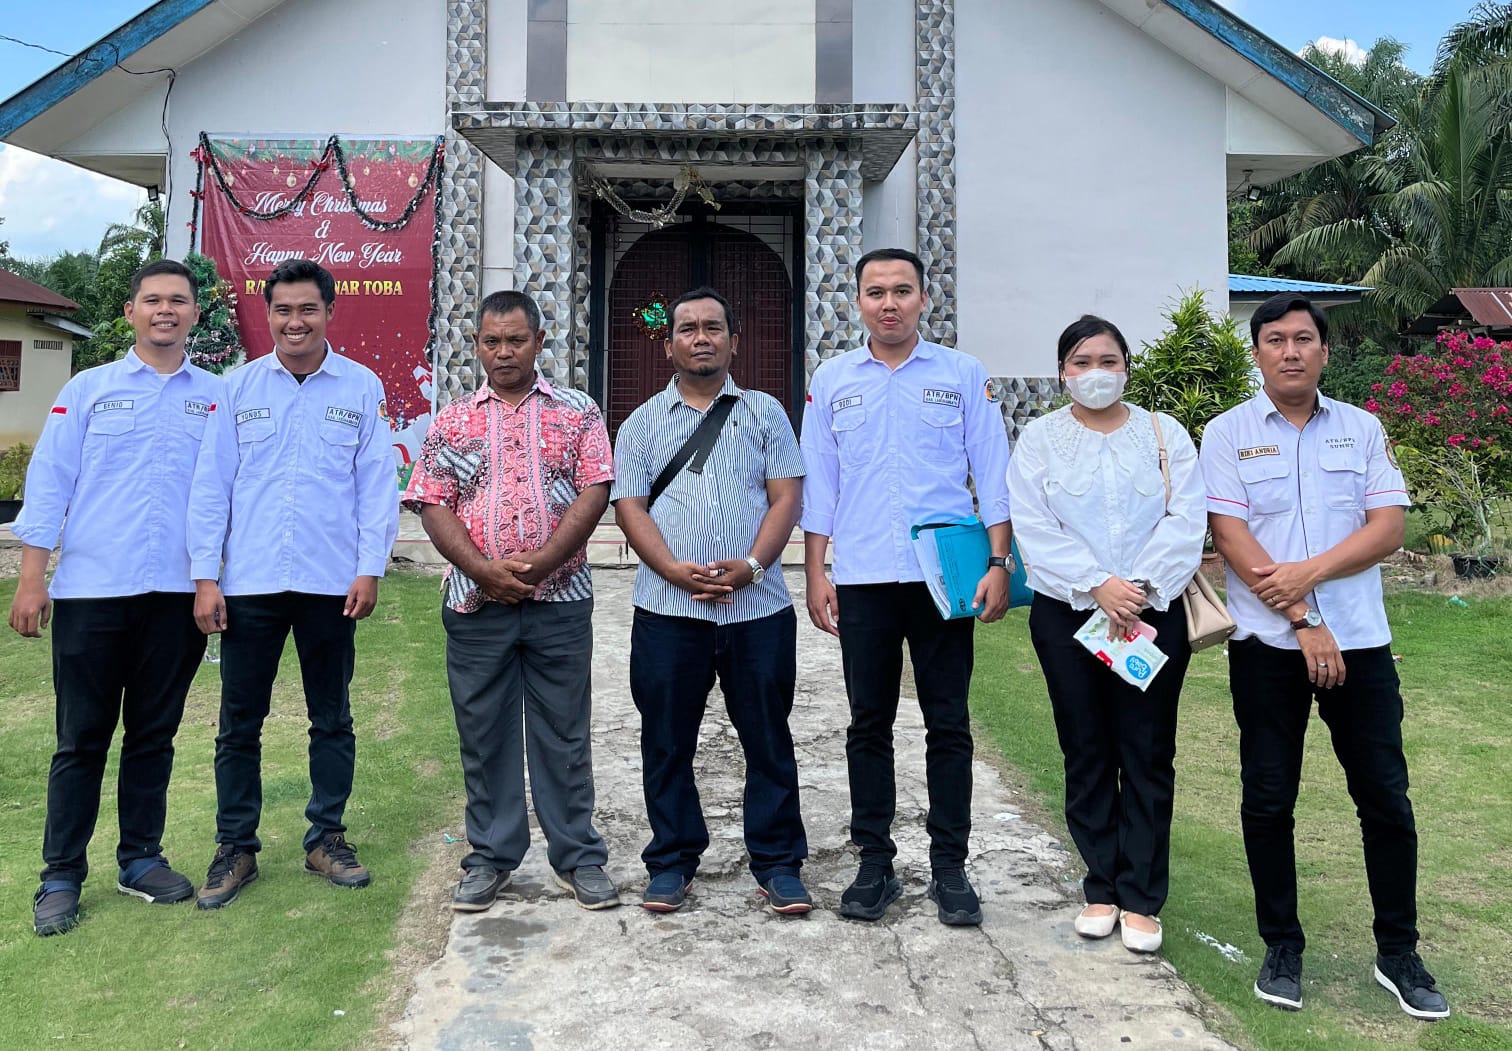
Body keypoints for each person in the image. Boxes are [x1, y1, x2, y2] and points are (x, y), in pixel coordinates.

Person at [1200, 293, 1449, 1019]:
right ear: (1256, 353)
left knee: (1385, 797)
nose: (1290, 351)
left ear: (1325, 351)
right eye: (1275, 339)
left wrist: (1307, 575)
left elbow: (1388, 528)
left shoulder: (1363, 429)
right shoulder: (1226, 433)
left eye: (1304, 338)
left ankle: (1398, 951)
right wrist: (1304, 617)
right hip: (1267, 646)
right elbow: (1232, 538)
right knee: (1268, 797)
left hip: (1361, 643)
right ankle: (1282, 947)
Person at [9, 259, 223, 936]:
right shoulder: (89, 390)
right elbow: (49, 484)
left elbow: (224, 494)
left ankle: (140, 859)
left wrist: (212, 580)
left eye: (178, 300)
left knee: (153, 735)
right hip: (92, 593)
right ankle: (60, 875)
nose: (165, 310)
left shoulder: (216, 397)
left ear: (195, 314)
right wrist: (32, 579)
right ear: (130, 311)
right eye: (152, 299)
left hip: (177, 596)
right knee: (81, 739)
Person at [800, 248, 1012, 927]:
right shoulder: (833, 379)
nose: (888, 303)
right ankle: (875, 862)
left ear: (924, 297)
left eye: (901, 290)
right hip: (863, 576)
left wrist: (999, 562)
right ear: (857, 301)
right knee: (869, 724)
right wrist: (815, 571)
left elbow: (993, 471)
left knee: (948, 723)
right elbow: (820, 481)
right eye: (875, 292)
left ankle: (950, 866)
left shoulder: (961, 374)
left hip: (942, 579)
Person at [186, 259, 399, 908]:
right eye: (283, 310)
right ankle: (236, 847)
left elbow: (376, 487)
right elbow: (211, 486)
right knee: (238, 723)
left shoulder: (360, 387)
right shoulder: (238, 388)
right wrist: (205, 577)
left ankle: (326, 838)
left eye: (308, 309)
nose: (295, 321)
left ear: (329, 312)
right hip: (250, 582)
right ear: (269, 314)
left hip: (331, 582)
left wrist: (369, 567)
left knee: (331, 717)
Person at [404, 290, 620, 913]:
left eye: (516, 340)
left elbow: (596, 488)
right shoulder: (452, 421)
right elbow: (432, 501)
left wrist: (544, 562)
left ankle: (577, 856)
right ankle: (491, 857)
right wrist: (482, 571)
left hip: (560, 601)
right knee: (484, 734)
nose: (504, 352)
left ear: (539, 342)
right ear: (477, 345)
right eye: (492, 341)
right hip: (476, 604)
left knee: (564, 733)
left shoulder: (577, 411)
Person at [1007, 315, 1204, 954]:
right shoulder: (1040, 439)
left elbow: (1186, 517)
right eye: (1082, 362)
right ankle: (1101, 887)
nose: (1096, 373)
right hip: (1069, 614)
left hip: (1150, 612)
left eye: (1108, 361)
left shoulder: (1163, 433)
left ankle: (1142, 897)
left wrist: (1134, 589)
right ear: (1063, 372)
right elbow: (1033, 524)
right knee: (1086, 748)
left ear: (1127, 367)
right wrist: (1097, 584)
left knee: (1146, 749)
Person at [612, 286, 810, 916]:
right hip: (668, 611)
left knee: (768, 739)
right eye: (688, 328)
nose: (701, 337)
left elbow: (785, 497)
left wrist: (752, 566)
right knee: (667, 742)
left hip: (758, 610)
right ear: (669, 345)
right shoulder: (642, 422)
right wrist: (672, 570)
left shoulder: (764, 413)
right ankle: (671, 861)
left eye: (713, 327)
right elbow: (629, 506)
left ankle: (778, 863)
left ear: (733, 340)